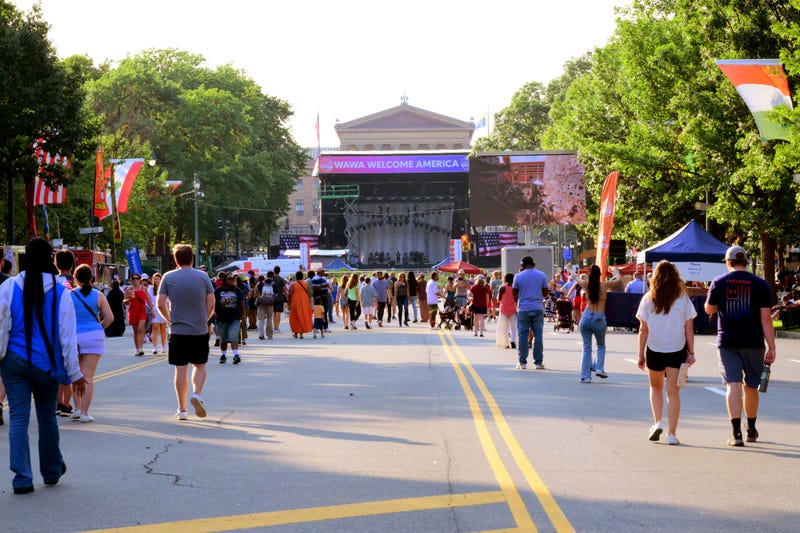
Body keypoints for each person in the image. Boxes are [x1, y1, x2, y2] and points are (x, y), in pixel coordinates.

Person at [0, 238, 87, 494]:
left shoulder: (8, 287)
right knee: (47, 417)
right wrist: (75, 374)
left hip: (13, 361)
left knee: (17, 418)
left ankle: (22, 478)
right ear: (50, 258)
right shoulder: (61, 292)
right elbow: (67, 339)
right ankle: (50, 471)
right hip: (46, 364)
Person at [704, 246, 776, 447]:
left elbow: (709, 308)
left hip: (728, 341)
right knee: (751, 386)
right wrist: (772, 346)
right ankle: (751, 429)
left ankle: (736, 434)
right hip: (754, 342)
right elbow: (766, 320)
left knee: (733, 385)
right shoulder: (761, 284)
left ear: (728, 262)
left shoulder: (719, 282)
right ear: (746, 261)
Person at [635, 260, 697, 445]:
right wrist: (691, 352)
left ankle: (658, 422)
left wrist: (640, 354)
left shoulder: (648, 298)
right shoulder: (683, 299)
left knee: (655, 388)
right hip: (677, 350)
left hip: (654, 349)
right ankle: (672, 434)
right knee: (673, 393)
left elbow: (642, 329)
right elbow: (689, 327)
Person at [157, 244, 215, 421]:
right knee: (200, 365)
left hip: (178, 330)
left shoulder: (168, 277)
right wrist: (204, 319)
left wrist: (169, 319)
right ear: (192, 258)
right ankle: (197, 394)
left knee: (180, 369)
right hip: (199, 330)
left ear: (176, 259)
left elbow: (160, 303)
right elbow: (211, 302)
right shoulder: (203, 276)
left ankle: (182, 410)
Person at [69, 264, 114, 423]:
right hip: (93, 336)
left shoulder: (69, 295)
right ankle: (84, 412)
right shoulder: (98, 296)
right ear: (91, 278)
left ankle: (76, 408)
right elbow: (110, 318)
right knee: (88, 376)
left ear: (75, 278)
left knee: (76, 374)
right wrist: (98, 328)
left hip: (74, 336)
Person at [575, 265, 620, 381]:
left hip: (586, 316)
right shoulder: (604, 285)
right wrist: (616, 272)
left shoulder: (586, 284)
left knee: (587, 348)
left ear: (589, 274)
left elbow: (575, 277)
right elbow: (618, 280)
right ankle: (599, 368)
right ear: (600, 275)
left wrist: (570, 269)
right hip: (599, 317)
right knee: (600, 345)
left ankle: (585, 376)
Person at [512, 256, 550, 370]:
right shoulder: (542, 275)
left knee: (523, 335)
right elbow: (546, 292)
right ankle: (538, 362)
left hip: (523, 308)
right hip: (537, 308)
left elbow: (514, 293)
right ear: (534, 264)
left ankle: (522, 362)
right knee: (538, 336)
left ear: (522, 265)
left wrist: (521, 300)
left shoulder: (518, 276)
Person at [54, 250, 76, 416]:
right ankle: (65, 403)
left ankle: (57, 401)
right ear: (72, 264)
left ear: (56, 264)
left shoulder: (53, 282)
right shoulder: (75, 283)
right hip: (72, 328)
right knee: (69, 368)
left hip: (54, 329)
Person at [214, 274, 246, 364]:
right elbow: (213, 302)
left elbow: (242, 303)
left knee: (233, 336)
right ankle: (223, 355)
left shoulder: (238, 291)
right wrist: (214, 312)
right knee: (223, 339)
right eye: (230, 279)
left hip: (234, 318)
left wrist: (243, 315)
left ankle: (236, 355)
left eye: (233, 279)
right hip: (221, 318)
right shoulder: (218, 291)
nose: (232, 280)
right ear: (225, 280)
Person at [123, 273, 153, 357]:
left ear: (140, 279)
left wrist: (152, 310)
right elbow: (124, 301)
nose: (135, 280)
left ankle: (141, 349)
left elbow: (149, 300)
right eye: (134, 279)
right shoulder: (129, 289)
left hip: (142, 311)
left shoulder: (144, 289)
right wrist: (128, 299)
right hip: (133, 311)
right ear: (131, 280)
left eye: (137, 278)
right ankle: (137, 349)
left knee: (141, 329)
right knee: (136, 331)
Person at [288, 271, 313, 338]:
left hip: (295, 302)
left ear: (296, 277)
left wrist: (289, 303)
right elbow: (309, 294)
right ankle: (301, 333)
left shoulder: (293, 285)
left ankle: (296, 332)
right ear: (302, 276)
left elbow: (290, 294)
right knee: (302, 316)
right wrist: (309, 303)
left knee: (295, 317)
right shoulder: (306, 284)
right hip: (304, 302)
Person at [496, 273, 518, 349]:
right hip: (512, 309)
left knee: (503, 327)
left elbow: (498, 300)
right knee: (513, 327)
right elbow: (516, 300)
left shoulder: (502, 288)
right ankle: (513, 340)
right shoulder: (514, 289)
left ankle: (505, 343)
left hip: (503, 309)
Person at [149, 272, 167, 354]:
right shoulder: (150, 289)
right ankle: (154, 347)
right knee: (155, 328)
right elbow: (148, 301)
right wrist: (151, 309)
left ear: (161, 280)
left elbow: (167, 300)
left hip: (163, 310)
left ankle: (163, 347)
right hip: (155, 311)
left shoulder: (164, 288)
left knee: (163, 329)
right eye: (155, 279)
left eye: (158, 279)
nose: (156, 280)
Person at [256, 272, 275, 340]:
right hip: (270, 304)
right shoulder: (273, 284)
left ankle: (261, 334)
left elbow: (256, 292)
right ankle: (269, 335)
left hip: (261, 303)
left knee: (261, 319)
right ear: (272, 276)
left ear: (266, 276)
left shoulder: (261, 283)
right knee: (269, 319)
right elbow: (276, 294)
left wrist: (259, 297)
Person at [272, 266, 287, 333]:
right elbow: (284, 290)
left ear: (274, 271)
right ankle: (277, 328)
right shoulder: (281, 279)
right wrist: (287, 298)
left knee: (274, 313)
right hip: (280, 298)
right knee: (278, 313)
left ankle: (274, 327)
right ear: (279, 271)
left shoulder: (272, 279)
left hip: (272, 298)